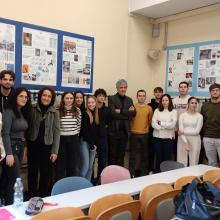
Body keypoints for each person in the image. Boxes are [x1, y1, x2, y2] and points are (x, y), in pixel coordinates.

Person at [27, 87, 60, 198]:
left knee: (45, 174)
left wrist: (55, 151)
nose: (46, 98)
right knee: (32, 173)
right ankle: (31, 197)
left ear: (52, 98)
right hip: (33, 145)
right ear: (40, 96)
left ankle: (43, 197)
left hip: (47, 146)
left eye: (49, 96)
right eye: (44, 95)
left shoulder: (54, 112)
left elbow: (57, 131)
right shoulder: (32, 108)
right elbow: (27, 127)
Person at [2, 87, 31, 205]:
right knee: (16, 179)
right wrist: (9, 154)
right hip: (12, 148)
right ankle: (13, 204)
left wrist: (24, 147)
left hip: (20, 147)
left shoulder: (21, 112)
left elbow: (22, 132)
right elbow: (5, 133)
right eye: (21, 96)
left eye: (26, 97)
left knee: (10, 180)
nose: (24, 99)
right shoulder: (9, 111)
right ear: (15, 97)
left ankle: (8, 204)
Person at [108, 79, 136, 166]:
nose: (123, 89)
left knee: (121, 156)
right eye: (121, 87)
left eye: (125, 87)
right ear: (117, 88)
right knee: (112, 155)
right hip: (113, 132)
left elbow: (133, 113)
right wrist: (127, 114)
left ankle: (120, 177)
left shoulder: (129, 100)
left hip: (124, 132)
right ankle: (111, 176)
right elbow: (113, 114)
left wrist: (120, 111)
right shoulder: (111, 99)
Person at [56, 91, 81, 180]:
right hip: (61, 140)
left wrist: (73, 134)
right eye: (67, 98)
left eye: (71, 98)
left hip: (74, 139)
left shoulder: (77, 110)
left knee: (72, 165)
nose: (69, 100)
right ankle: (60, 189)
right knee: (61, 166)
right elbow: (57, 126)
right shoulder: (58, 110)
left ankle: (71, 188)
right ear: (63, 99)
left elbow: (78, 125)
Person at [129, 90, 153, 177]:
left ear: (145, 97)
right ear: (137, 96)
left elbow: (150, 121)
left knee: (144, 155)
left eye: (143, 96)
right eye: (140, 95)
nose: (141, 97)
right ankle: (131, 173)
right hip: (134, 133)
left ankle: (143, 174)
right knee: (132, 155)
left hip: (145, 134)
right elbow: (129, 119)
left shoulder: (149, 108)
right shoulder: (132, 107)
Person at [152, 94, 177, 172]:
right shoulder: (157, 110)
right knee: (159, 157)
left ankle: (165, 176)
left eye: (166, 100)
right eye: (163, 100)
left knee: (167, 158)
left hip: (168, 138)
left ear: (169, 101)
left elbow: (173, 125)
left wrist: (161, 123)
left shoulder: (173, 111)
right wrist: (166, 125)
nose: (164, 102)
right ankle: (157, 173)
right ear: (161, 101)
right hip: (157, 137)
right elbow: (153, 123)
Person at [177, 97, 203, 167]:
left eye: (195, 103)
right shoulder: (182, 115)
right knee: (181, 161)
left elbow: (197, 131)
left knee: (194, 161)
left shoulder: (199, 116)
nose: (194, 104)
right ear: (188, 104)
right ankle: (182, 177)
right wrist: (185, 142)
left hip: (195, 140)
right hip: (182, 139)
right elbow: (180, 129)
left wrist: (182, 132)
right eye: (192, 103)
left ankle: (192, 176)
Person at [201, 83, 220, 167]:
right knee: (212, 163)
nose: (215, 92)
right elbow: (202, 122)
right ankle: (214, 180)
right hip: (208, 137)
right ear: (210, 92)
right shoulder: (205, 105)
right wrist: (202, 137)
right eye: (213, 90)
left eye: (217, 90)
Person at [80, 96, 99, 180]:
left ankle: (87, 187)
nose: (91, 104)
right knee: (85, 166)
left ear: (95, 103)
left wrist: (95, 144)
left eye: (92, 102)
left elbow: (95, 132)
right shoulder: (85, 114)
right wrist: (92, 145)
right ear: (87, 104)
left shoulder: (96, 115)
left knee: (90, 167)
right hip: (85, 142)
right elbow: (85, 131)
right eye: (89, 102)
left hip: (93, 144)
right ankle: (79, 187)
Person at [94, 88, 110, 180]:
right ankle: (92, 179)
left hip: (103, 138)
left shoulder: (107, 109)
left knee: (103, 160)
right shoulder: (92, 107)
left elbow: (108, 123)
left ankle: (101, 179)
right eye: (100, 95)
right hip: (93, 138)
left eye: (103, 96)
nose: (102, 97)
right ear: (96, 97)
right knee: (91, 161)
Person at [148, 86, 163, 173]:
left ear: (162, 93)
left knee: (159, 153)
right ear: (154, 94)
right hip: (151, 132)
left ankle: (159, 170)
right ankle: (150, 169)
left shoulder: (165, 105)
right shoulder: (149, 105)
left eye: (160, 92)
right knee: (150, 152)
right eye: (156, 92)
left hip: (163, 132)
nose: (158, 93)